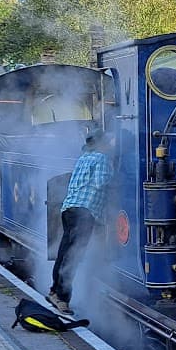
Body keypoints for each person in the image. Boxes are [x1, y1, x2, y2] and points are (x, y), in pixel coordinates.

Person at [49, 128, 111, 314]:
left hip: (69, 208)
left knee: (64, 251)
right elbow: (102, 182)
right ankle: (62, 298)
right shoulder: (101, 158)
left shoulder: (83, 158)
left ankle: (54, 290)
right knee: (74, 255)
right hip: (85, 210)